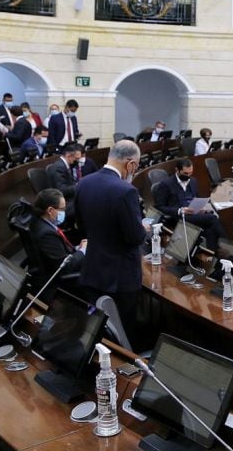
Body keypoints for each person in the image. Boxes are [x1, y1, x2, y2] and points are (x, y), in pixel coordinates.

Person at [74, 140, 150, 346]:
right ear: (131, 164)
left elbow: (81, 227)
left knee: (99, 333)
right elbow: (135, 237)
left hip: (92, 270)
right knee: (123, 336)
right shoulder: (125, 190)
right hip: (120, 277)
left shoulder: (84, 182)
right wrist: (143, 229)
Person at [153, 158, 225, 249]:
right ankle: (228, 247)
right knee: (213, 218)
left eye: (190, 173)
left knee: (210, 228)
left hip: (193, 214)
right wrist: (180, 210)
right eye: (185, 173)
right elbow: (159, 207)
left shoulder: (193, 181)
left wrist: (200, 208)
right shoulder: (165, 184)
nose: (188, 176)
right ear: (177, 170)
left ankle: (213, 256)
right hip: (178, 217)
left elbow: (196, 199)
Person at [29, 188, 85, 282]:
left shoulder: (41, 222)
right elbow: (65, 267)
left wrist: (76, 248)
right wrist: (82, 251)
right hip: (66, 279)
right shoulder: (46, 234)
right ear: (50, 210)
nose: (64, 212)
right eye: (62, 209)